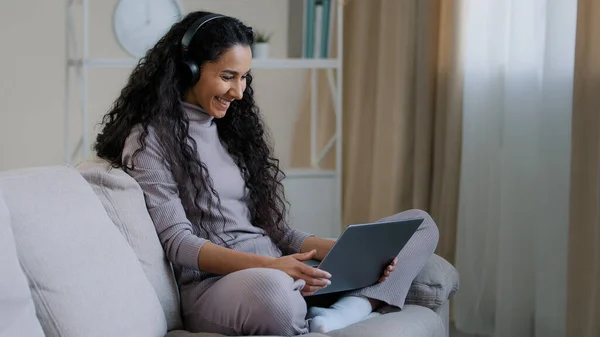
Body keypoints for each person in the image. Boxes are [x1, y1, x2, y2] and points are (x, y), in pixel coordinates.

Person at [93, 11, 439, 336]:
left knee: (420, 224)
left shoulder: (231, 130)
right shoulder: (149, 139)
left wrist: (341, 250)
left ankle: (351, 308)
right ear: (188, 70)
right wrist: (273, 268)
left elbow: (276, 229)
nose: (239, 92)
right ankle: (344, 306)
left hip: (279, 269)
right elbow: (179, 244)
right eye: (227, 77)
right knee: (275, 293)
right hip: (217, 285)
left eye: (244, 78)